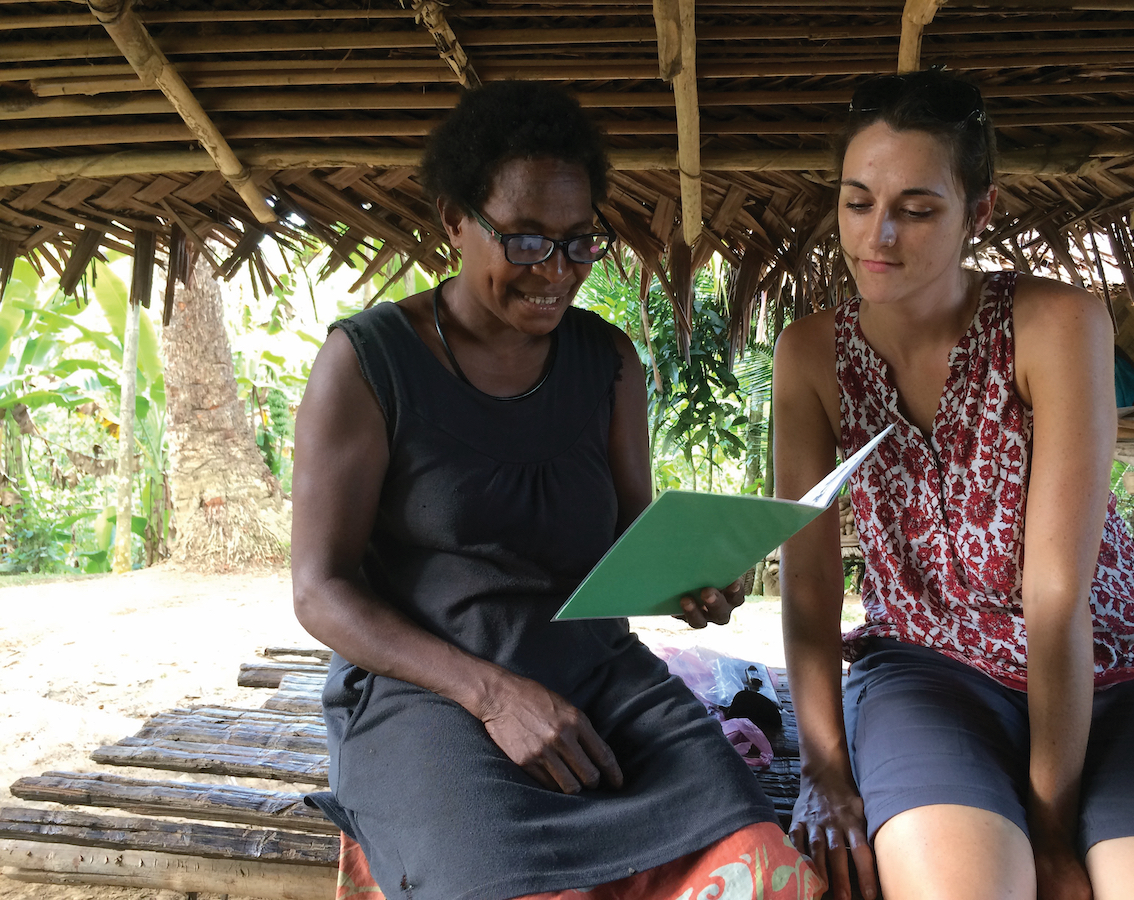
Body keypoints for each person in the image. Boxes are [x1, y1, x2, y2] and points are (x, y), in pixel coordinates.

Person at [291, 81, 818, 900]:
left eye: (579, 244)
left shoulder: (607, 364)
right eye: (526, 241)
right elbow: (321, 591)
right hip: (430, 694)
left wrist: (689, 575)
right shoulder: (369, 365)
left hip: (600, 679)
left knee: (762, 871)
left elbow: (629, 530)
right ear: (454, 221)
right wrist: (492, 695)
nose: (556, 272)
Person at [772, 69, 1134, 900]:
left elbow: (1055, 599)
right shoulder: (811, 356)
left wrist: (1053, 828)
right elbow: (810, 581)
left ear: (982, 211)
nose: (879, 235)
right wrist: (825, 769)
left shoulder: (1055, 325)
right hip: (927, 670)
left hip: (1116, 668)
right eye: (858, 202)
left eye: (918, 209)